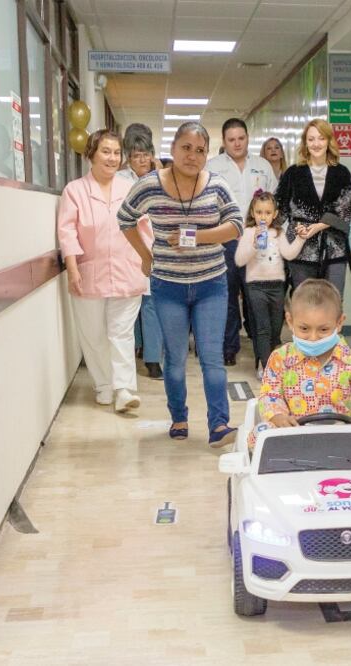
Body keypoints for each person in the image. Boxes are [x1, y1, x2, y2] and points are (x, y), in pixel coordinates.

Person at [118, 122, 243, 448]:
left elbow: (236, 225)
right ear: (173, 150)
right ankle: (179, 417)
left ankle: (219, 425)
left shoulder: (217, 185)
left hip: (211, 284)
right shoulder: (149, 185)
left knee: (211, 358)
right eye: (186, 148)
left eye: (200, 150)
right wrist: (146, 256)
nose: (193, 155)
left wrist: (194, 237)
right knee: (173, 358)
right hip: (168, 286)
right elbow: (125, 219)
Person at [57, 129, 151, 414]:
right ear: (91, 154)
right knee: (93, 334)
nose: (112, 158)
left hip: (127, 270)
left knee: (121, 333)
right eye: (106, 151)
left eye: (116, 152)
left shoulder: (130, 190)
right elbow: (67, 232)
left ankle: (123, 389)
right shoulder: (75, 191)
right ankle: (103, 386)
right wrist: (72, 269)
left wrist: (148, 260)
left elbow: (145, 228)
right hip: (89, 272)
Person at [250, 279, 351, 446]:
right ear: (290, 322)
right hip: (293, 438)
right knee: (260, 432)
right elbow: (270, 396)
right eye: (304, 329)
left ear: (339, 323)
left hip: (342, 442)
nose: (313, 338)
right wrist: (279, 417)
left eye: (323, 330)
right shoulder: (280, 359)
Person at [207, 118, 279, 366]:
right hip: (225, 241)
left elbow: (274, 201)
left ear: (248, 138)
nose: (237, 143)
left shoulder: (263, 166)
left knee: (255, 296)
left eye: (241, 138)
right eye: (231, 139)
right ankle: (229, 348)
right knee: (226, 296)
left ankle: (263, 352)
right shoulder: (212, 167)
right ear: (224, 142)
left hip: (256, 241)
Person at [276, 119, 351, 296]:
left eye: (321, 138)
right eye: (311, 139)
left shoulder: (341, 173)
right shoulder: (293, 173)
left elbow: (344, 210)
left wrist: (317, 227)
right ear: (305, 143)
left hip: (334, 250)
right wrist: (264, 229)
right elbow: (280, 209)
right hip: (300, 249)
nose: (316, 144)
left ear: (329, 141)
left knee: (333, 302)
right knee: (304, 302)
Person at [233, 191, 306, 377]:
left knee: (275, 329)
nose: (263, 217)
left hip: (277, 286)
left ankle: (269, 360)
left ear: (274, 214)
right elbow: (240, 260)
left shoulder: (279, 233)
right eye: (259, 212)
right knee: (262, 328)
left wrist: (300, 239)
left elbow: (289, 254)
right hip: (256, 286)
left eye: (267, 212)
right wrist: (254, 245)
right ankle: (266, 368)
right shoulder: (248, 232)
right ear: (252, 213)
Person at [118, 125, 164, 379]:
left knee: (151, 302)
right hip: (130, 245)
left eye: (146, 154)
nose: (142, 160)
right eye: (136, 155)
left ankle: (153, 358)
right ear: (128, 158)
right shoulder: (121, 180)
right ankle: (136, 346)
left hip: (156, 245)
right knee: (131, 302)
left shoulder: (161, 177)